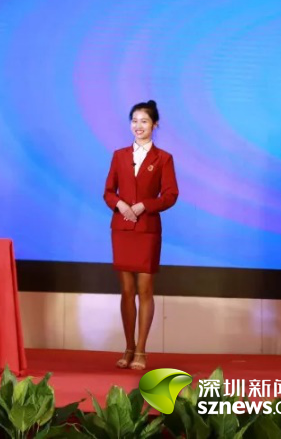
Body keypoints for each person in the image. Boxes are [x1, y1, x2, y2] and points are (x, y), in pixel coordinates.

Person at [103, 99, 178, 371]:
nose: (138, 126)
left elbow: (170, 195)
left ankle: (142, 350)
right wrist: (120, 204)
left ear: (154, 125)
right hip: (122, 228)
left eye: (144, 121)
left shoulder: (163, 158)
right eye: (134, 121)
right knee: (126, 290)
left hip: (147, 230)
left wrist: (145, 205)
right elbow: (108, 191)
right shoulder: (119, 155)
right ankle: (128, 346)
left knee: (145, 289)